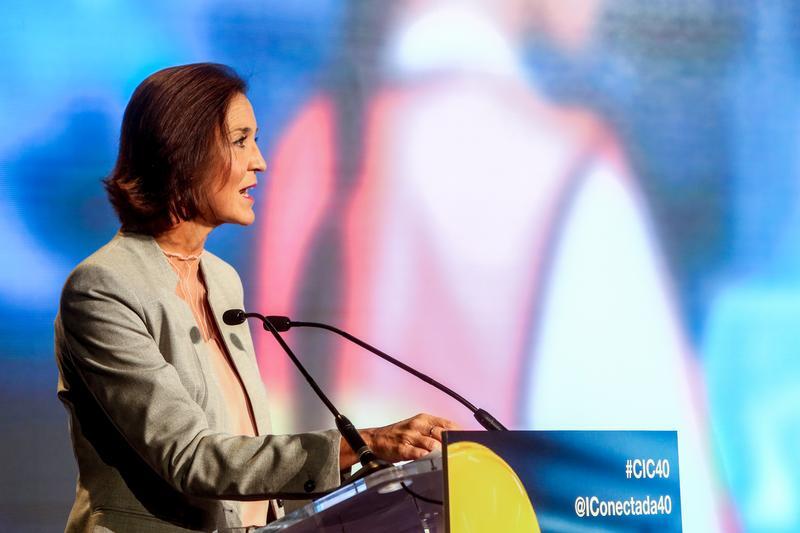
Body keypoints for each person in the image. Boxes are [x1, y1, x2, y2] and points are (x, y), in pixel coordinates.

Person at [54, 63, 455, 532]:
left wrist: (370, 471)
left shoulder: (222, 280)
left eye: (255, 140)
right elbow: (192, 457)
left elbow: (244, 452)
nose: (260, 161)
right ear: (182, 148)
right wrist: (362, 441)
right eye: (240, 140)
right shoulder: (103, 288)